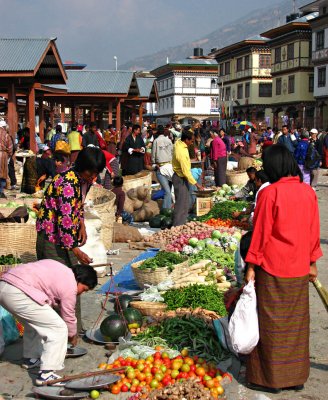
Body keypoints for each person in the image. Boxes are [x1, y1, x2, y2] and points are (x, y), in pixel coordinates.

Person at [245, 144, 322, 394]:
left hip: (273, 268)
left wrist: (251, 265)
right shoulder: (307, 192)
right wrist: (312, 262)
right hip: (299, 268)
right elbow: (313, 232)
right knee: (296, 324)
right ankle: (295, 377)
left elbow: (261, 233)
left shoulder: (270, 193)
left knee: (271, 324)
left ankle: (271, 380)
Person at [0, 261, 97, 385]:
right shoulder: (70, 284)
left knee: (35, 323)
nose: (81, 293)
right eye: (84, 289)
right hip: (18, 291)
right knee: (59, 328)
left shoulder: (61, 269)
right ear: (79, 279)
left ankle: (31, 358)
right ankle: (47, 374)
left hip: (4, 285)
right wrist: (72, 336)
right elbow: (68, 316)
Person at [36, 147, 106, 266]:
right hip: (52, 233)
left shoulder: (84, 181)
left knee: (70, 272)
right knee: (56, 275)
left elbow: (79, 205)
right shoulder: (68, 184)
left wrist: (81, 224)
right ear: (82, 166)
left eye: (96, 173)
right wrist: (76, 251)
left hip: (66, 235)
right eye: (91, 172)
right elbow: (65, 217)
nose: (94, 176)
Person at [172, 129, 203, 226]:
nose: (192, 143)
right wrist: (197, 184)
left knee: (183, 202)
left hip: (179, 177)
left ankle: (179, 223)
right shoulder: (181, 152)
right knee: (182, 204)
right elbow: (186, 172)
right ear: (186, 140)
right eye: (191, 141)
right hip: (180, 178)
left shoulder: (178, 143)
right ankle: (178, 225)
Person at [151, 125, 173, 210]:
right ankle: (167, 209)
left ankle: (166, 209)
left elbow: (153, 155)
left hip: (161, 167)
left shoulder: (156, 141)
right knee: (168, 190)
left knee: (167, 190)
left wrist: (153, 163)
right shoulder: (169, 141)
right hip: (170, 167)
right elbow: (172, 152)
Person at [0, 121, 13, 198]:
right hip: (2, 155)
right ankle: (1, 191)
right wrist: (9, 155)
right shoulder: (6, 135)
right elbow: (10, 148)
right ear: (4, 127)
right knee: (3, 174)